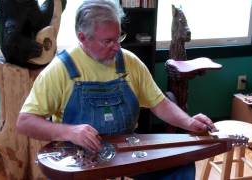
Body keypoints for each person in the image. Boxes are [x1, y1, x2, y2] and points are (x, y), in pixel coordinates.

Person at [17, 0, 216, 179]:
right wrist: (69, 132)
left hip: (127, 151)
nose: (116, 47)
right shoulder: (60, 69)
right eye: (107, 41)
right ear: (82, 37)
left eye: (118, 37)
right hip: (79, 157)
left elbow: (160, 103)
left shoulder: (130, 62)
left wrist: (189, 122)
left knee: (180, 167)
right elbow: (25, 122)